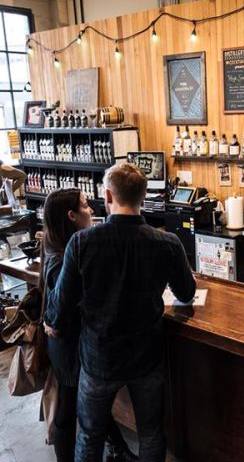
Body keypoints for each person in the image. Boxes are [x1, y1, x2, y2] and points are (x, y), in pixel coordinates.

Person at [44, 163, 196, 461]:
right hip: (146, 357)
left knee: (89, 436)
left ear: (108, 196)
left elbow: (62, 302)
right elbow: (187, 293)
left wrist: (52, 322)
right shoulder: (167, 242)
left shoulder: (82, 242)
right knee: (151, 433)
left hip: (99, 357)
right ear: (143, 196)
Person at [40, 188, 138, 462]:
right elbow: (64, 309)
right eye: (85, 206)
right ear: (71, 216)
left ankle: (119, 449)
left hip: (68, 342)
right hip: (69, 346)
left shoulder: (60, 247)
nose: (92, 210)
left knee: (93, 403)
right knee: (69, 407)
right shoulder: (63, 259)